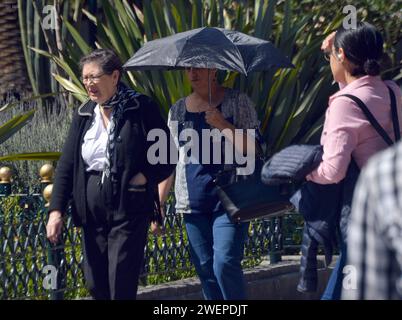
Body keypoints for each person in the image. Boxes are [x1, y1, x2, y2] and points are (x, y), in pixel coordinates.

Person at [45, 49, 175, 300]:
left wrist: (145, 177)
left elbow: (167, 155)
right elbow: (67, 165)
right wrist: (56, 210)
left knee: (121, 282)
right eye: (85, 78)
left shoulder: (141, 107)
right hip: (91, 210)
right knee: (95, 283)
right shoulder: (84, 114)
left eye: (95, 77)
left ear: (115, 76)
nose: (89, 84)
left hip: (129, 207)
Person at [306, 22, 402, 300]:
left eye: (330, 57)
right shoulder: (393, 92)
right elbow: (358, 98)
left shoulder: (344, 103)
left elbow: (333, 171)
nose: (329, 62)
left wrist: (303, 172)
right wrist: (335, 51)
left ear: (343, 56)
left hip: (366, 210)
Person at [157, 67, 260, 300]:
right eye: (188, 68)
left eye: (198, 68)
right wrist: (159, 203)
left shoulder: (237, 101)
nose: (192, 73)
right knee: (205, 270)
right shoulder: (178, 110)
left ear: (213, 69)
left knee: (224, 263)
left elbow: (254, 149)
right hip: (193, 202)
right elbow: (168, 160)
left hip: (232, 200)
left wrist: (222, 123)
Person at [342, 141, 402, 300]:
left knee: (349, 268)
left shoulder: (383, 172)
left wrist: (309, 173)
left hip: (358, 197)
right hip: (370, 197)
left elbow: (333, 169)